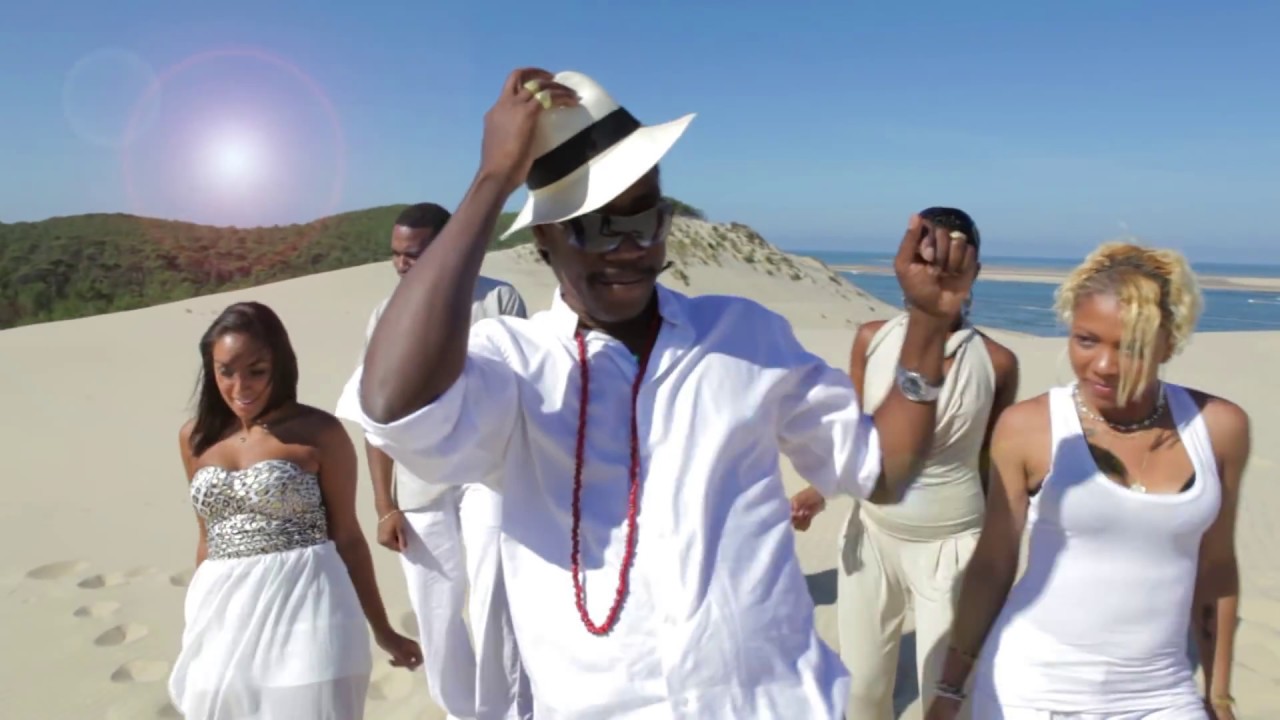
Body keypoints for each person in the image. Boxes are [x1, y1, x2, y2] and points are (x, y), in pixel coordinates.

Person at [337, 67, 979, 719]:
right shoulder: (513, 364)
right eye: (597, 225)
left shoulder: (745, 337)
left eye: (649, 218)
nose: (630, 247)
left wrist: (928, 327)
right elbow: (392, 402)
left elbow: (880, 470)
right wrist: (492, 180)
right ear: (545, 237)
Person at [925, 242, 1248, 720]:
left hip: (1162, 692)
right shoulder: (1028, 427)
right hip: (1033, 691)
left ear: (1169, 343)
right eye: (1086, 340)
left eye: (1131, 347)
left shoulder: (1219, 427)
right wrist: (951, 689)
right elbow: (993, 564)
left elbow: (1216, 568)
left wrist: (1218, 695)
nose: (1104, 366)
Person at [789, 207, 1019, 719]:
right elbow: (854, 437)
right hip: (872, 536)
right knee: (861, 688)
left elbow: (994, 464)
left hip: (953, 545)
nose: (939, 269)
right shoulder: (872, 338)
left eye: (955, 257)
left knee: (944, 693)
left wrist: (997, 555)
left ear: (975, 269)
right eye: (928, 254)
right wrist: (819, 491)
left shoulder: (997, 362)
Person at [169, 301, 421, 720]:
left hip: (308, 605)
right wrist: (199, 622)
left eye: (256, 371)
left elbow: (347, 537)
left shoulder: (318, 432)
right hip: (225, 612)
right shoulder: (195, 437)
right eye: (226, 371)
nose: (240, 386)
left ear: (280, 366)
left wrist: (382, 630)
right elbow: (206, 540)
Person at [362, 202, 532, 720]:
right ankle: (460, 712)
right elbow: (376, 416)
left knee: (495, 601)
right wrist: (384, 505)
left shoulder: (499, 299)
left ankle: (509, 711)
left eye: (413, 255)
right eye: (396, 255)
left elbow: (524, 394)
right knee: (434, 610)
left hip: (489, 475)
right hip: (419, 482)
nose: (402, 265)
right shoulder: (385, 316)